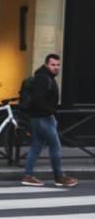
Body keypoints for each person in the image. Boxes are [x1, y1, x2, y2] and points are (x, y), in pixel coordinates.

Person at [21, 53, 78, 187]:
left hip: (38, 117)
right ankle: (59, 177)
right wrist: (51, 111)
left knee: (36, 146)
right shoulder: (43, 78)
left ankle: (28, 175)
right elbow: (37, 99)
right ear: (46, 65)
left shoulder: (45, 77)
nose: (56, 67)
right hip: (44, 117)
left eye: (58, 65)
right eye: (53, 65)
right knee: (55, 146)